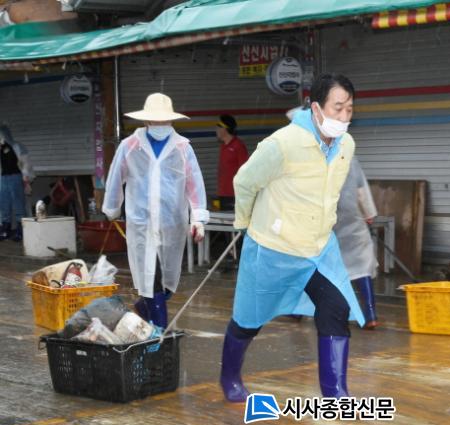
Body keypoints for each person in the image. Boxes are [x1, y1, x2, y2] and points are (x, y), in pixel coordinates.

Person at [219, 74, 365, 402]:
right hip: (275, 248)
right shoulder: (282, 144)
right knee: (248, 320)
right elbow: (245, 182)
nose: (344, 116)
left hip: (318, 250)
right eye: (337, 108)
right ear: (316, 108)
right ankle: (229, 377)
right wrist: (245, 222)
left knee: (336, 308)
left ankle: (335, 395)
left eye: (350, 109)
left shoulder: (346, 145)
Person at [102, 93, 207, 329]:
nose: (160, 125)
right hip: (142, 223)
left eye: (164, 120)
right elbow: (115, 177)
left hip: (172, 223)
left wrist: (198, 217)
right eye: (155, 120)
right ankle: (159, 332)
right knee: (150, 278)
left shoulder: (182, 148)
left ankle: (143, 308)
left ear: (171, 120)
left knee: (167, 282)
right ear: (146, 121)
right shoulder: (130, 146)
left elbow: (194, 184)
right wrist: (112, 208)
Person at [335, 156, 380, 329]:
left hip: (329, 221)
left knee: (322, 268)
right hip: (353, 220)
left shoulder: (316, 155)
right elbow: (361, 188)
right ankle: (370, 314)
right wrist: (369, 213)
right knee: (361, 266)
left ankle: (298, 311)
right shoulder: (349, 157)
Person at [0, 124, 34, 242]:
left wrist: (26, 177)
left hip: (16, 177)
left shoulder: (18, 147)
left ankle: (21, 229)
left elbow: (26, 163)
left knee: (18, 203)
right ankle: (5, 228)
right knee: (4, 203)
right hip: (2, 178)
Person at [215, 114, 248, 211]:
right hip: (222, 194)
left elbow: (245, 171)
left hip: (234, 195)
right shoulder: (223, 146)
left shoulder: (238, 146)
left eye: (218, 127)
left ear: (224, 129)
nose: (216, 130)